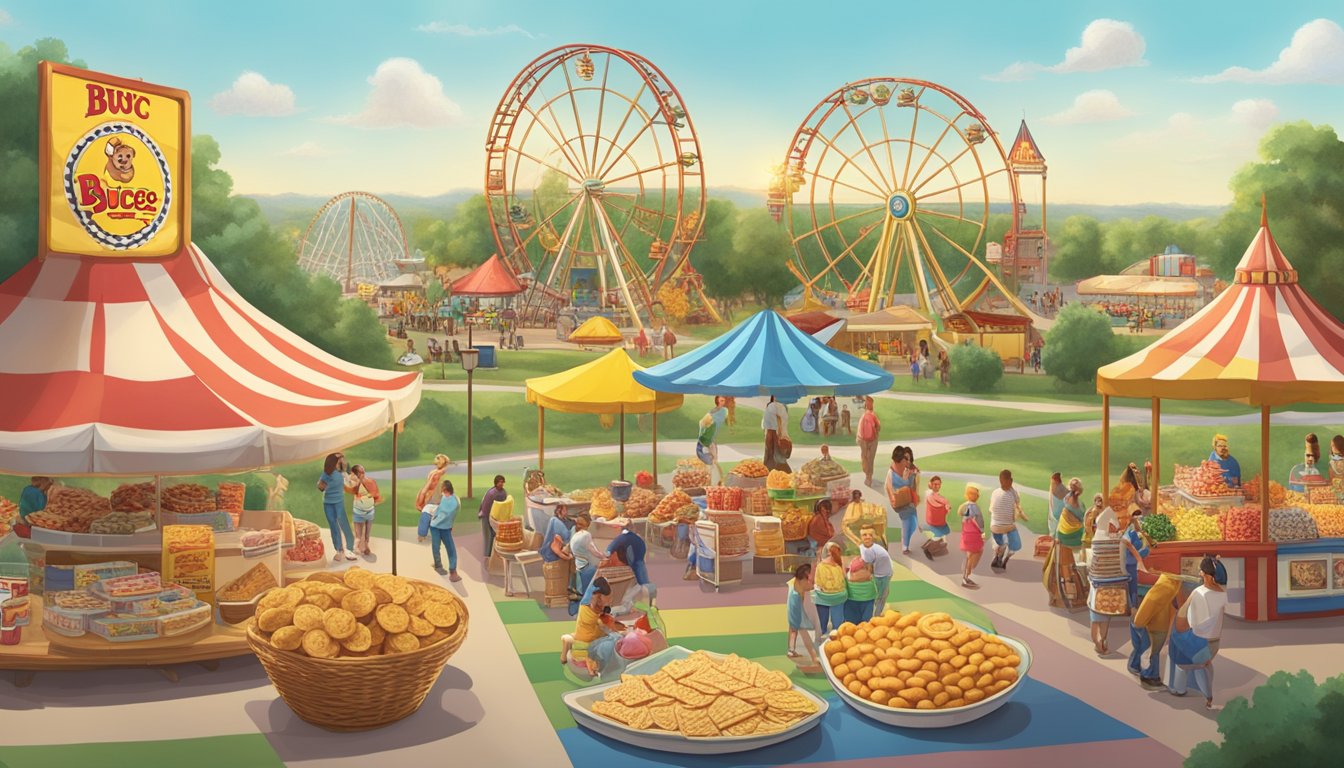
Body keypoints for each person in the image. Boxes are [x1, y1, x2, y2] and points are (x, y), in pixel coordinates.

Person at [1166, 556, 1228, 709]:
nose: (1200, 573)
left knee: (1175, 645)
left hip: (1199, 644)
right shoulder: (1223, 593)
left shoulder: (1200, 593)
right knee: (1200, 662)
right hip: (1213, 644)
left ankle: (1178, 687)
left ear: (1209, 576)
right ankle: (1207, 695)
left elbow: (1193, 623)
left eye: (1202, 571)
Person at [560, 576, 621, 677]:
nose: (604, 605)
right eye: (602, 601)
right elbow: (601, 623)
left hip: (594, 637)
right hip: (587, 642)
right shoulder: (588, 610)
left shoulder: (598, 610)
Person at [1132, 572, 1182, 688]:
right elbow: (1140, 618)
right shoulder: (1165, 589)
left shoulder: (1169, 586)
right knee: (1153, 652)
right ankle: (1148, 677)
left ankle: (1148, 674)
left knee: (1153, 652)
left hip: (1159, 626)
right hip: (1156, 628)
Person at [317, 453, 358, 561]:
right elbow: (321, 487)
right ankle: (339, 550)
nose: (343, 462)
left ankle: (349, 549)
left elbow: (350, 484)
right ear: (334, 462)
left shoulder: (343, 474)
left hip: (338, 502)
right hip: (328, 503)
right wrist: (323, 484)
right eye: (340, 460)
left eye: (343, 460)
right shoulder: (327, 474)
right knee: (333, 525)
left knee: (343, 523)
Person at [606, 524, 654, 612]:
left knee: (636, 584)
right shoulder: (637, 538)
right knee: (642, 583)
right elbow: (643, 549)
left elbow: (608, 551)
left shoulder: (620, 539)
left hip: (632, 562)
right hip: (639, 561)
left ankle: (631, 604)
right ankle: (647, 604)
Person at [989, 469, 1028, 571]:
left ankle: (998, 555)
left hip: (994, 527)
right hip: (1007, 526)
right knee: (1014, 545)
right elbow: (1018, 503)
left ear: (1000, 480)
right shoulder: (1013, 493)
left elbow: (991, 509)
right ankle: (1005, 559)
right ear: (1011, 480)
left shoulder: (994, 492)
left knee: (1001, 543)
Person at [567, 515, 605, 616]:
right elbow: (595, 552)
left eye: (581, 524)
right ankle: (579, 612)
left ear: (588, 525)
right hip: (580, 567)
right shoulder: (581, 534)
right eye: (577, 523)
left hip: (580, 567)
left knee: (581, 590)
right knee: (582, 590)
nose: (578, 526)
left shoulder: (582, 534)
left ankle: (577, 611)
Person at [786, 564, 823, 665]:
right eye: (810, 581)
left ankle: (791, 649)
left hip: (796, 604)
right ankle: (813, 656)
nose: (811, 584)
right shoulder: (797, 593)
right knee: (802, 630)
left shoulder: (795, 582)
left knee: (794, 628)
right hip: (796, 606)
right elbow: (808, 588)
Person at [886, 446, 919, 556]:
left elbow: (914, 488)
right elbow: (888, 486)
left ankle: (906, 542)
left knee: (913, 522)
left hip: (909, 501)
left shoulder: (911, 471)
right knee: (906, 519)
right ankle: (905, 546)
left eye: (909, 459)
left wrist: (913, 476)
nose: (907, 461)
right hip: (899, 501)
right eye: (905, 458)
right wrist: (892, 498)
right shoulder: (892, 471)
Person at [812, 542, 847, 640]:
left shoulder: (821, 565)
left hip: (823, 596)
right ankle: (835, 631)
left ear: (827, 552)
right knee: (837, 620)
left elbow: (817, 582)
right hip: (838, 596)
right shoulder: (839, 564)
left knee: (823, 618)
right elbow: (844, 577)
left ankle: (823, 630)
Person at [345, 464, 381, 557]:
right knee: (358, 534)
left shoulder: (369, 481)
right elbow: (348, 487)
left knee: (366, 532)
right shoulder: (354, 484)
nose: (362, 474)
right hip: (359, 511)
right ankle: (357, 547)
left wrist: (365, 497)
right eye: (361, 472)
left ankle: (365, 545)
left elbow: (375, 493)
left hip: (368, 510)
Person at [429, 480, 462, 580]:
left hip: (443, 527)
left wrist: (435, 517)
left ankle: (452, 570)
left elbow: (447, 514)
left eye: (443, 489)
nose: (442, 491)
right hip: (438, 526)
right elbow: (442, 511)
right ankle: (439, 566)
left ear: (446, 489)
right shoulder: (446, 497)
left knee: (448, 548)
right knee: (438, 546)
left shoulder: (453, 501)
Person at [859, 525, 893, 615]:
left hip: (885, 573)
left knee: (883, 594)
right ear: (860, 536)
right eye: (864, 535)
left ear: (873, 536)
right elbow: (868, 567)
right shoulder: (866, 550)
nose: (868, 537)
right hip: (881, 576)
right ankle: (876, 615)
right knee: (881, 595)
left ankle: (877, 611)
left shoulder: (869, 547)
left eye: (870, 534)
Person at [416, 454, 450, 543]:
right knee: (432, 516)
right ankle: (425, 535)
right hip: (437, 501)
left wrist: (421, 498)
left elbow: (426, 488)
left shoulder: (435, 473)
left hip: (435, 501)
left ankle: (422, 535)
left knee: (427, 515)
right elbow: (428, 487)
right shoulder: (436, 474)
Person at [959, 484, 986, 588]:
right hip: (973, 534)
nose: (977, 496)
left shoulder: (966, 506)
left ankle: (966, 575)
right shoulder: (973, 507)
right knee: (972, 553)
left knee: (971, 554)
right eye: (975, 494)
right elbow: (978, 521)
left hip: (967, 533)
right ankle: (965, 577)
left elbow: (961, 514)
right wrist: (982, 531)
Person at [697, 396, 729, 485]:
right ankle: (709, 483)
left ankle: (713, 482)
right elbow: (702, 424)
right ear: (717, 401)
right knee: (711, 462)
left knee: (713, 462)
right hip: (707, 442)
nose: (723, 402)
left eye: (724, 400)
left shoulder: (722, 411)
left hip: (710, 441)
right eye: (721, 400)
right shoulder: (712, 416)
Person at [478, 474, 508, 559]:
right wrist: (487, 518)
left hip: (496, 517)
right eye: (500, 482)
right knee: (488, 535)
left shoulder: (503, 492)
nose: (501, 484)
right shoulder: (491, 493)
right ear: (496, 483)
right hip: (486, 516)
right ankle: (487, 555)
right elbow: (485, 507)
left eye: (502, 482)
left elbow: (504, 505)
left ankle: (495, 553)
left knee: (496, 534)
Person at [843, 552, 878, 625]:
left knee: (851, 620)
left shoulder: (849, 577)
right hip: (867, 600)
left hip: (851, 599)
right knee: (866, 620)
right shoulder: (870, 577)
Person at [921, 475, 951, 560]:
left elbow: (944, 501)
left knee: (946, 530)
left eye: (938, 484)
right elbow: (936, 506)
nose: (937, 486)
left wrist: (947, 505)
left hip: (939, 520)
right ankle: (928, 550)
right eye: (935, 484)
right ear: (931, 484)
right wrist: (945, 508)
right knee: (939, 534)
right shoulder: (930, 496)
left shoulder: (937, 495)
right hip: (934, 520)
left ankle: (925, 530)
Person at [855, 396, 881, 486]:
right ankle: (868, 477)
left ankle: (867, 475)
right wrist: (876, 434)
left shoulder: (863, 416)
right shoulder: (873, 415)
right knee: (870, 459)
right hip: (873, 439)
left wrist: (859, 439)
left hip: (863, 440)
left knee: (865, 457)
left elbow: (859, 432)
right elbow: (879, 427)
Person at [762, 396, 791, 472]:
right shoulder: (783, 407)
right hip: (782, 439)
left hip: (775, 442)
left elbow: (770, 430)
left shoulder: (772, 407)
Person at [1047, 472, 1067, 537]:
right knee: (1056, 530)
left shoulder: (1057, 487)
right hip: (1057, 513)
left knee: (1055, 530)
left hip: (1056, 513)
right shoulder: (1060, 487)